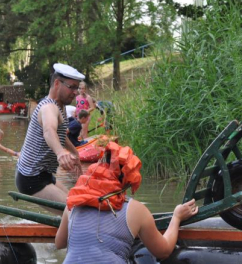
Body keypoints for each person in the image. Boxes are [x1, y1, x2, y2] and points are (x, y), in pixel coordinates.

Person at [55, 141, 198, 263]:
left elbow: (59, 242)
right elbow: (164, 251)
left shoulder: (74, 203)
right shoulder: (136, 210)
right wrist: (176, 217)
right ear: (129, 181)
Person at [16, 63, 85, 208]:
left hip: (44, 175)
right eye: (72, 87)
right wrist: (60, 153)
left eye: (77, 88)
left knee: (76, 203)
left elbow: (60, 134)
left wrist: (74, 153)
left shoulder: (60, 106)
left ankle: (62, 227)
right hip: (31, 179)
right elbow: (49, 131)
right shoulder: (49, 108)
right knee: (74, 213)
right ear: (57, 83)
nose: (76, 92)